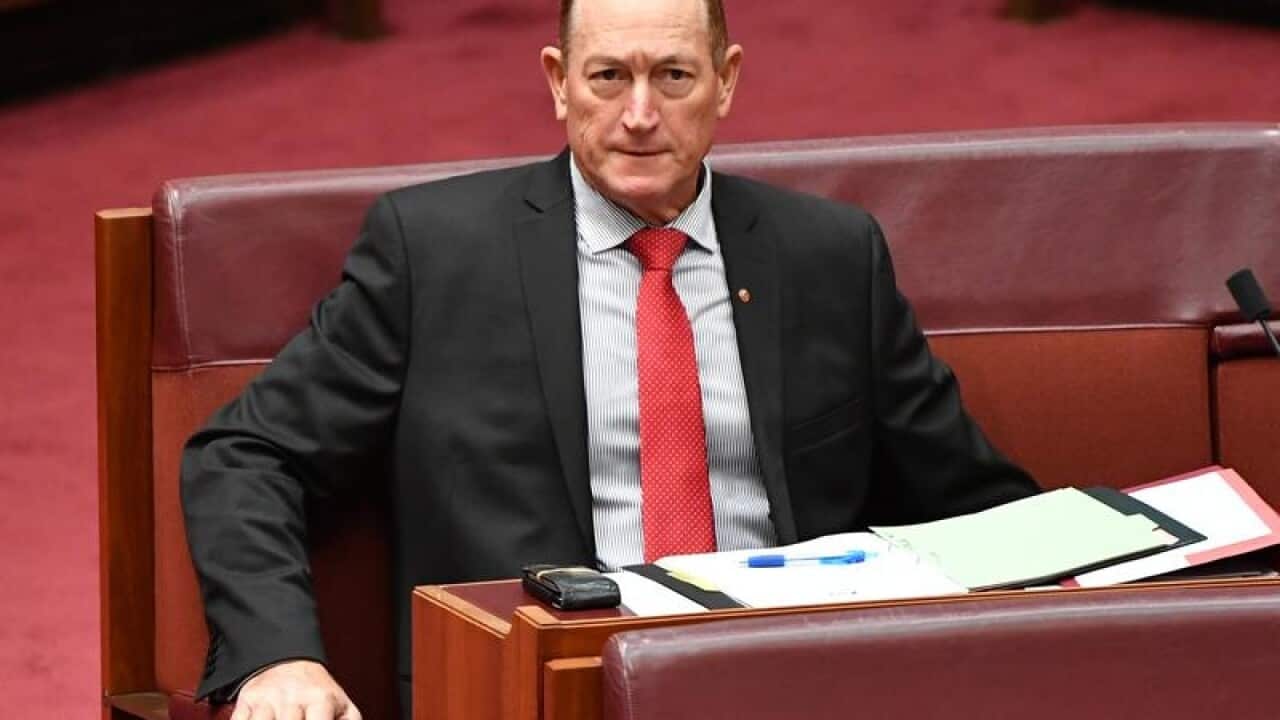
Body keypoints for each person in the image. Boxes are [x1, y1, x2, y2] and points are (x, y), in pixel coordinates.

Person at [181, 0, 1040, 718]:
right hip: (542, 691)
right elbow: (249, 457)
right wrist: (276, 657)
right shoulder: (434, 254)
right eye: (608, 77)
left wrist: (1142, 564)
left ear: (727, 81)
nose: (639, 114)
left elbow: (973, 504)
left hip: (785, 684)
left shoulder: (828, 256)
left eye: (673, 76)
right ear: (559, 83)